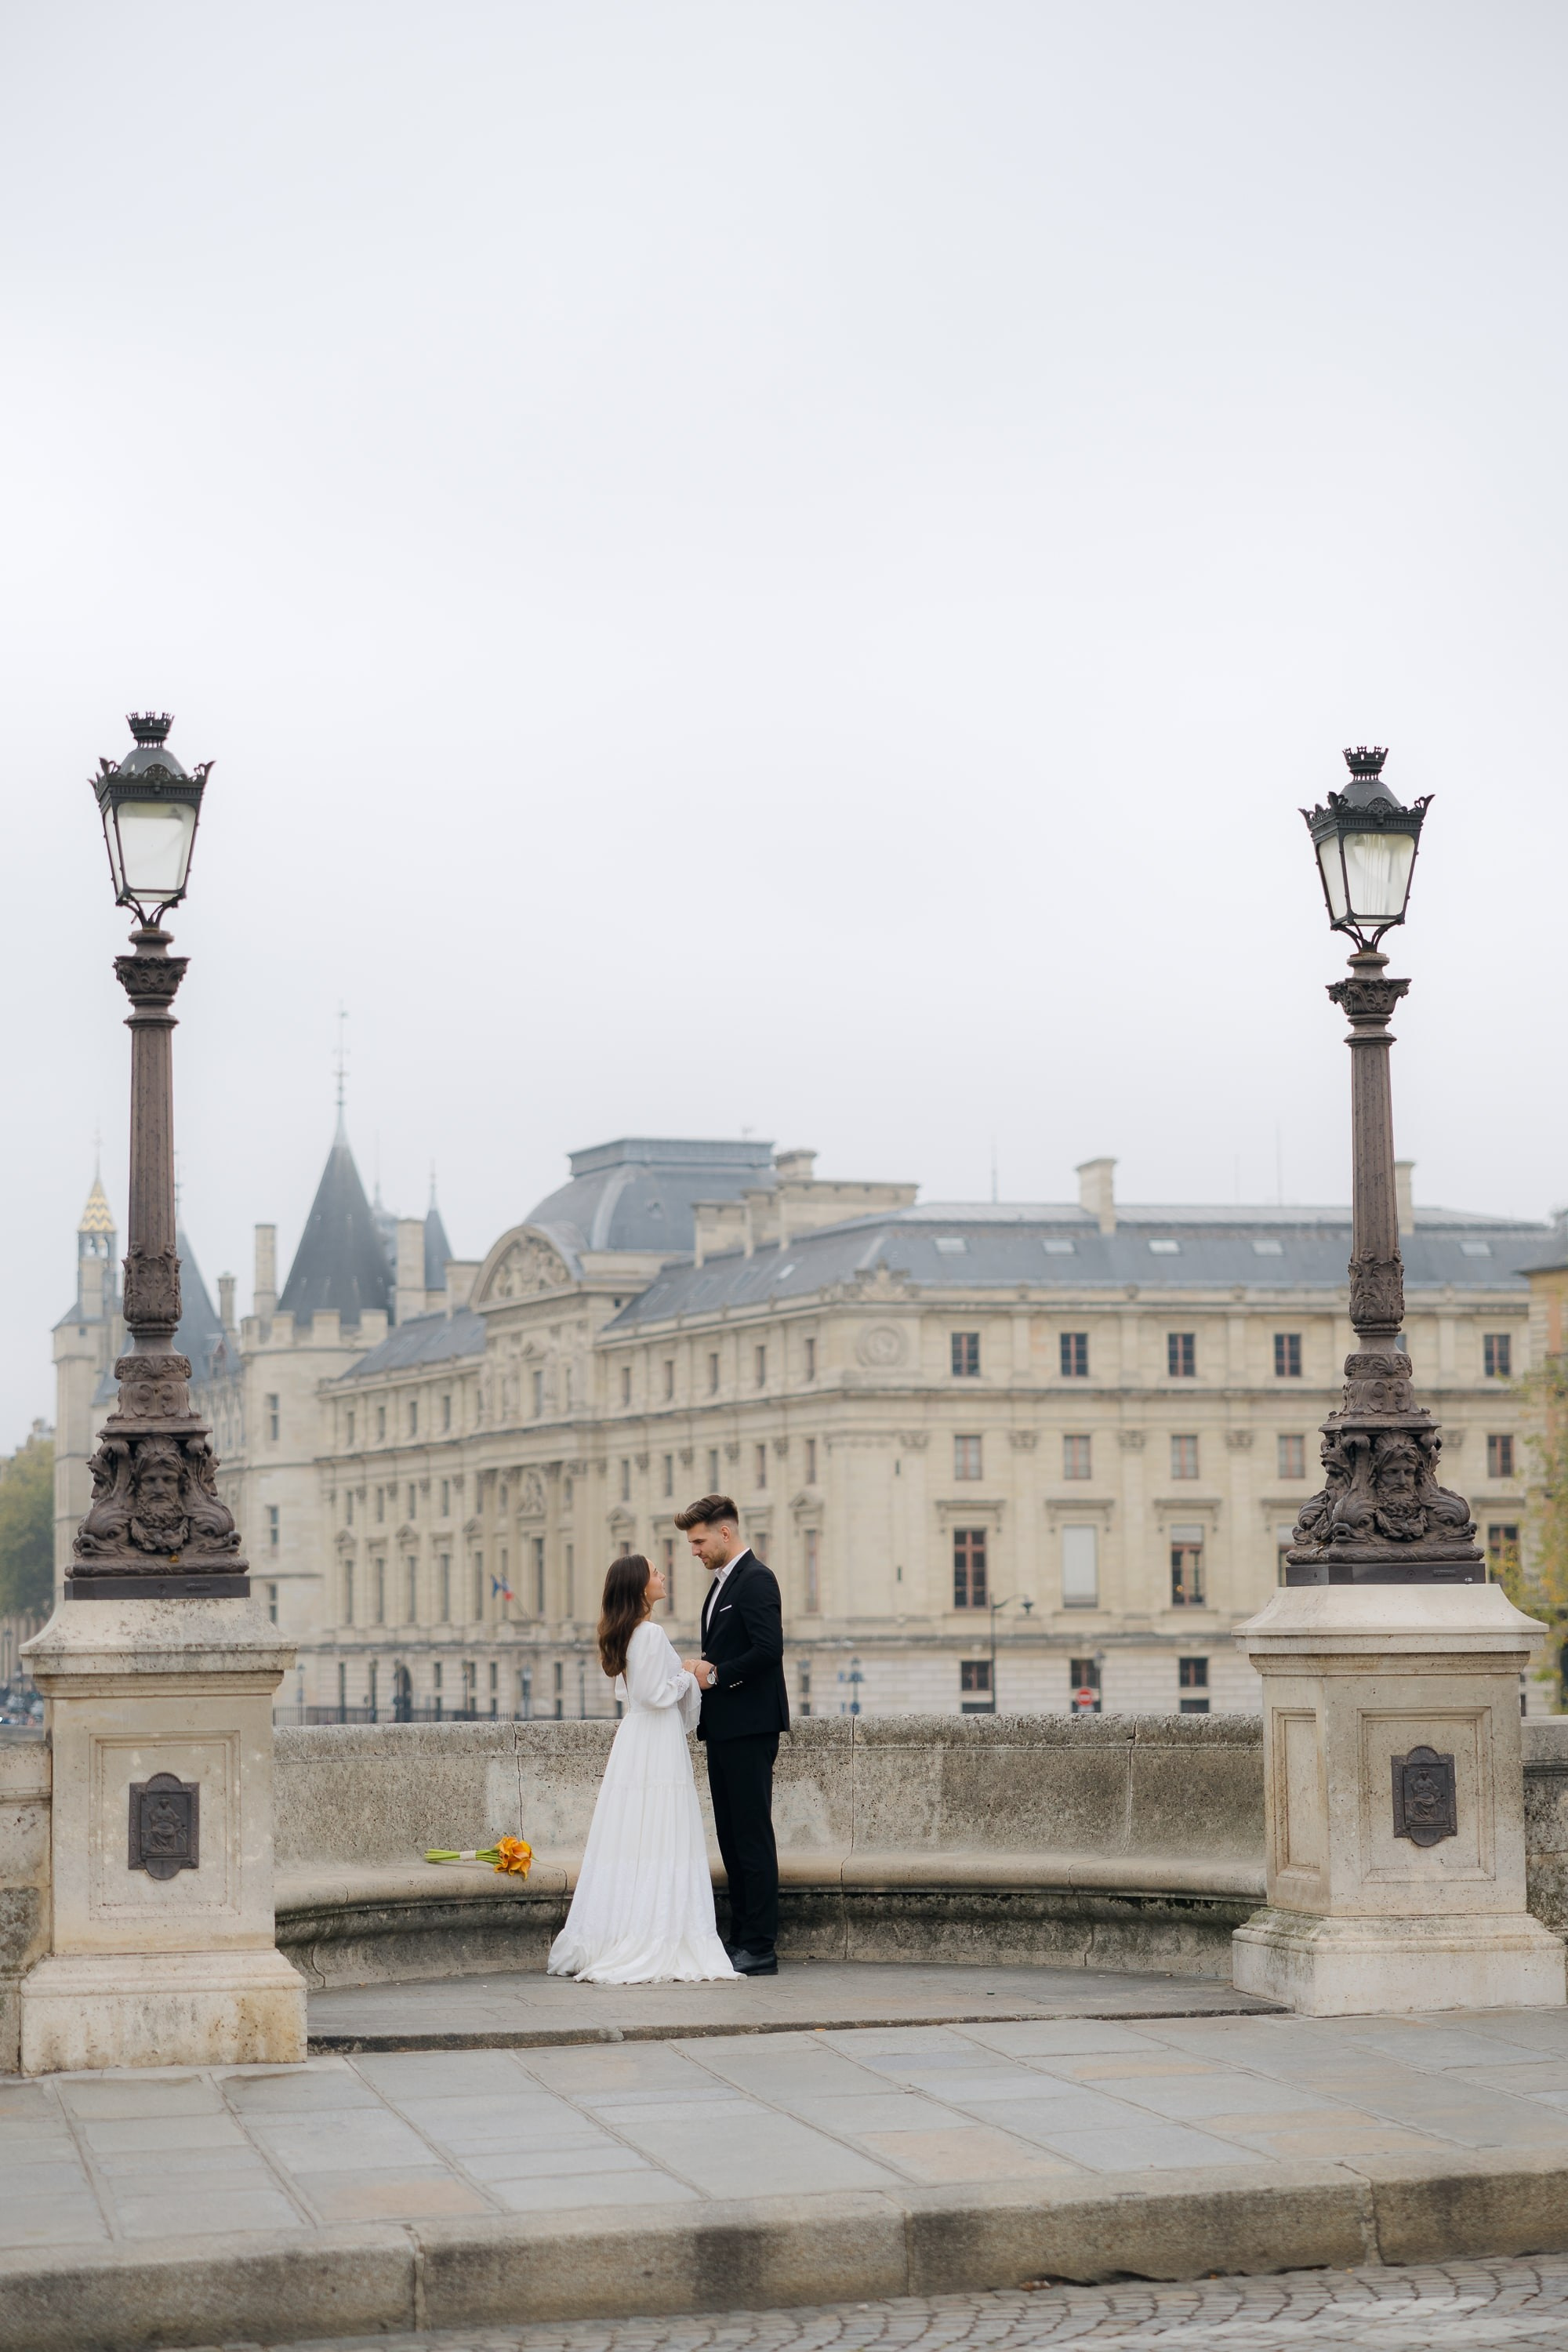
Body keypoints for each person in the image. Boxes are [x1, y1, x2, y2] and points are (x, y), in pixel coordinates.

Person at [546, 1552, 735, 1985]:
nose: (663, 1574)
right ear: (640, 1587)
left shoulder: (629, 1633)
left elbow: (632, 1692)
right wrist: (690, 1674)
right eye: (655, 1571)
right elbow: (653, 1695)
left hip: (637, 1739)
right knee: (662, 1831)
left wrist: (680, 1674)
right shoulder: (650, 1632)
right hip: (655, 1740)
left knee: (633, 1833)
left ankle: (618, 1926)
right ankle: (658, 1929)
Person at [677, 1494, 789, 1976]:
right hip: (725, 1729)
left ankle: (760, 1946)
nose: (694, 1551)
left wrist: (715, 1675)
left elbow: (769, 1650)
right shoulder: (723, 1585)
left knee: (751, 1839)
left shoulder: (756, 1579)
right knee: (731, 1838)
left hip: (749, 1728)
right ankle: (741, 1935)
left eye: (699, 1541)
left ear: (726, 1533)